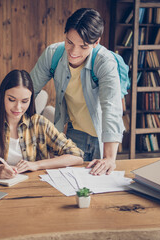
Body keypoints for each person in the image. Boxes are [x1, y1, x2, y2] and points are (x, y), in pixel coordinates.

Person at [30, 8, 125, 176]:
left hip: (101, 136)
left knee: (98, 184)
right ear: (65, 34)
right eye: (70, 42)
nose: (74, 52)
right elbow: (29, 90)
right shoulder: (53, 54)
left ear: (96, 43)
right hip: (74, 132)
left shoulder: (105, 63)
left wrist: (110, 158)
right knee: (69, 181)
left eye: (83, 46)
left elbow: (111, 108)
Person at [0, 69, 83, 179]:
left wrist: (35, 165)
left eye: (24, 101)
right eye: (11, 99)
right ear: (2, 96)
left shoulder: (39, 123)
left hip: (31, 190)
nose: (18, 107)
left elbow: (76, 156)